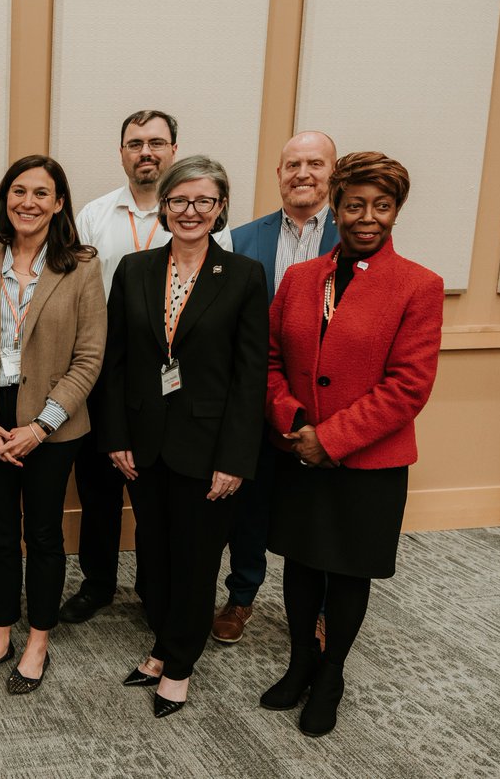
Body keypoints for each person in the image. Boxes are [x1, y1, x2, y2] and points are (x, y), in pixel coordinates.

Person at [260, 152, 442, 737]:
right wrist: (291, 421)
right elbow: (267, 361)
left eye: (381, 206)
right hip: (296, 451)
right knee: (301, 563)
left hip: (367, 462)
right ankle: (299, 663)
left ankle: (331, 673)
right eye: (356, 204)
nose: (368, 217)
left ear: (397, 212)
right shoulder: (298, 279)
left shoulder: (419, 285)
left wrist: (330, 439)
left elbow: (409, 386)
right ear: (335, 207)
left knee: (347, 572)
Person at [99, 155, 267, 718]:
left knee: (196, 560)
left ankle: (178, 664)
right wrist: (116, 436)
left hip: (210, 449)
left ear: (220, 209)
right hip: (143, 444)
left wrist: (236, 458)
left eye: (203, 201)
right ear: (164, 206)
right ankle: (163, 641)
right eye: (179, 200)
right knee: (154, 555)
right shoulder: (134, 269)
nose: (190, 211)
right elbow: (116, 363)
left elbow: (250, 377)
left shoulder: (243, 276)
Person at [0, 155, 106, 694]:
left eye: (42, 193)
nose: (28, 203)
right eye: (19, 191)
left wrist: (40, 427)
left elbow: (89, 358)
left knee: (41, 534)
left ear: (59, 202)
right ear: (3, 198)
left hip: (53, 427)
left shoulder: (82, 265)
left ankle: (37, 640)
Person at [213, 131, 339, 645]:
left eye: (315, 163)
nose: (302, 173)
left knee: (320, 514)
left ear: (333, 172)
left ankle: (320, 608)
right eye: (292, 164)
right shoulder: (242, 239)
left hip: (328, 404)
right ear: (278, 173)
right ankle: (242, 596)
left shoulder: (352, 234)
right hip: (256, 397)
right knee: (250, 507)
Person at [61, 109, 179, 625]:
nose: (146, 152)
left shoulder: (198, 214)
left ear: (174, 149)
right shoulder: (94, 215)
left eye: (156, 142)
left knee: (159, 495)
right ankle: (98, 583)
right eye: (135, 143)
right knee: (98, 491)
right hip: (102, 375)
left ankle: (156, 586)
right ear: (122, 153)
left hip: (171, 382)